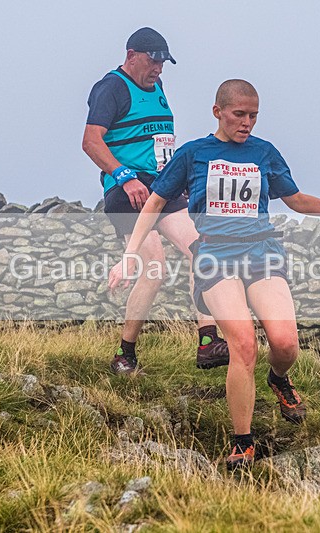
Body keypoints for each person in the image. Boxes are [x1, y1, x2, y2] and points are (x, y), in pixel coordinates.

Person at [108, 79, 320, 469]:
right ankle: (243, 442)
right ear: (218, 111)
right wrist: (130, 254)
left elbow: (296, 199)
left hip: (262, 253)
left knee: (285, 344)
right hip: (215, 258)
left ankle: (278, 379)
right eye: (239, 114)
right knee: (244, 345)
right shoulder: (193, 154)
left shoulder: (264, 153)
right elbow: (154, 203)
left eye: (253, 115)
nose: (247, 122)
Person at [82, 27, 229, 374]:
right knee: (154, 266)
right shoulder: (111, 88)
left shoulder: (158, 87)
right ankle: (125, 354)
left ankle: (207, 341)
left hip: (162, 186)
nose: (159, 69)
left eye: (164, 63)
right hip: (126, 190)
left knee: (203, 249)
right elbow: (91, 141)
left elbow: (160, 142)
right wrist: (124, 176)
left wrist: (182, 179)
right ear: (131, 55)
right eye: (153, 61)